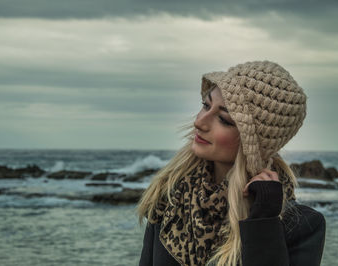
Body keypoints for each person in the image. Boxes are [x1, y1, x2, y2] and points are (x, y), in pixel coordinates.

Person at [137, 61, 326, 266]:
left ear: (253, 142)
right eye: (206, 106)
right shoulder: (171, 198)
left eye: (224, 119)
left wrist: (263, 221)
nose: (199, 122)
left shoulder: (300, 225)